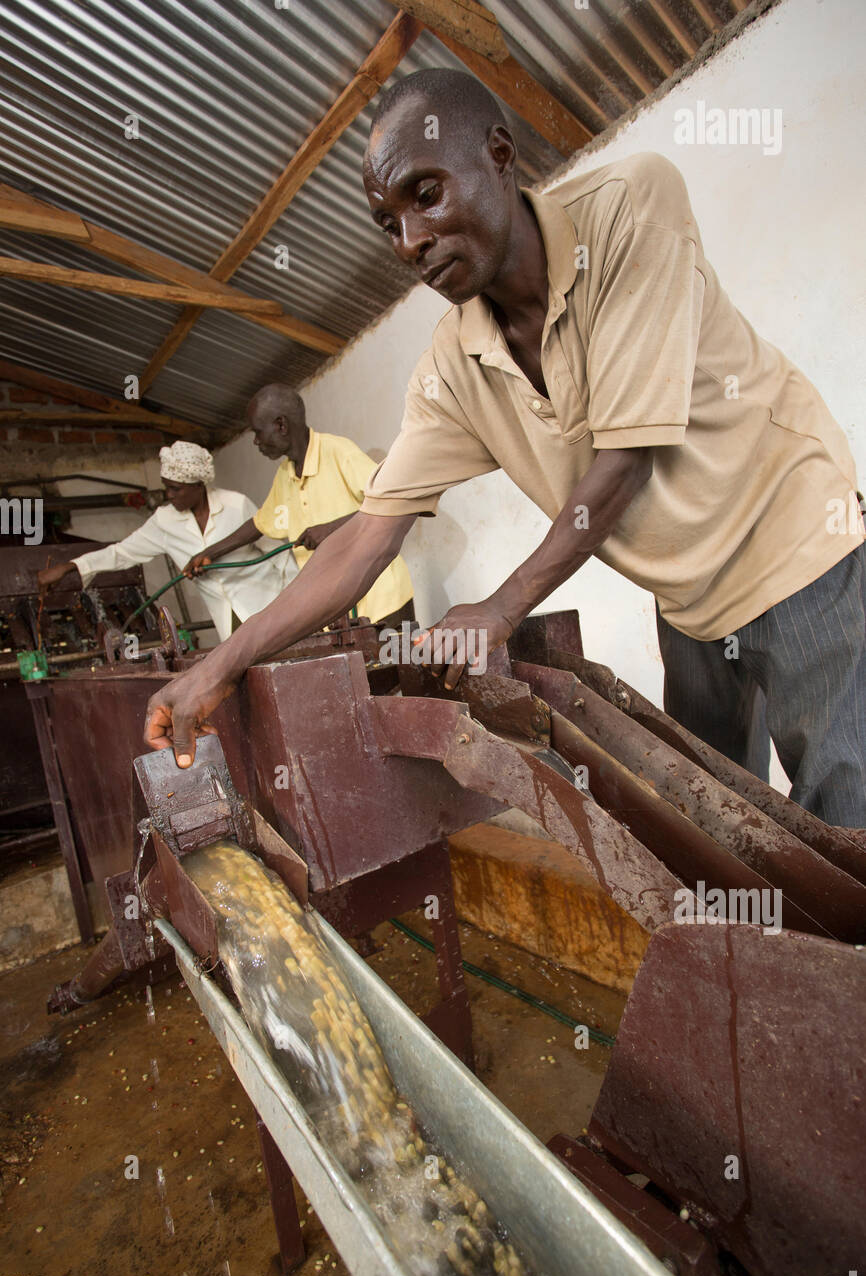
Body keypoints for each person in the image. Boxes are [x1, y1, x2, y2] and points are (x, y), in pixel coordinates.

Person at [144, 70, 866, 833]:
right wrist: (214, 670)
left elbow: (625, 462)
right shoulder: (454, 366)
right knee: (722, 823)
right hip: (689, 606)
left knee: (850, 817)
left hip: (795, 548)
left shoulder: (628, 209)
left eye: (425, 195)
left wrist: (502, 605)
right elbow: (364, 538)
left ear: (498, 154)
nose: (412, 241)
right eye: (387, 224)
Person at [184, 385, 414, 630]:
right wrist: (209, 554)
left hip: (383, 601)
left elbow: (395, 499)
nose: (255, 441)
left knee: (401, 666)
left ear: (281, 425)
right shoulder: (285, 474)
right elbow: (258, 524)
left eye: (258, 432)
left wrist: (332, 528)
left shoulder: (337, 451)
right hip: (335, 612)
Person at [38, 441, 287, 641]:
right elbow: (122, 552)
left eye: (176, 488)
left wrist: (305, 601)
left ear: (198, 485)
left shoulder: (236, 504)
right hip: (230, 623)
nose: (169, 495)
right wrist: (70, 567)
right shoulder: (165, 521)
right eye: (166, 487)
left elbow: (279, 553)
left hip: (272, 605)